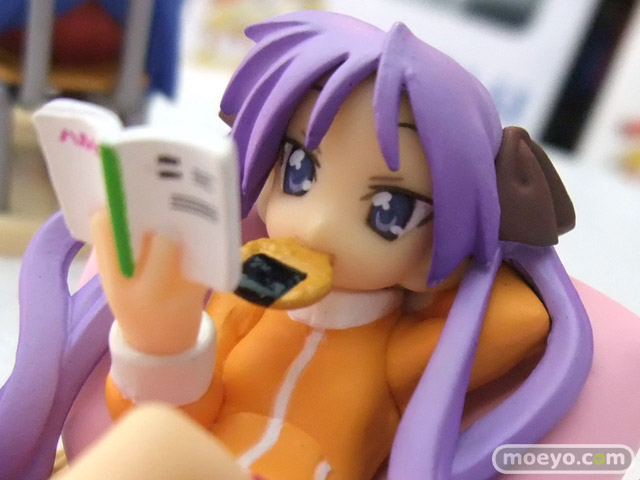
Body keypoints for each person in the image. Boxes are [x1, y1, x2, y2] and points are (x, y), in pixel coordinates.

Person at [0, 10, 594, 480]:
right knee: (156, 442)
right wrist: (161, 340)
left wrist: (479, 247)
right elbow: (165, 417)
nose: (316, 226)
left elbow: (520, 321)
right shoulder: (242, 300)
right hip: (183, 460)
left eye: (391, 211)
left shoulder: (395, 352)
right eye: (300, 170)